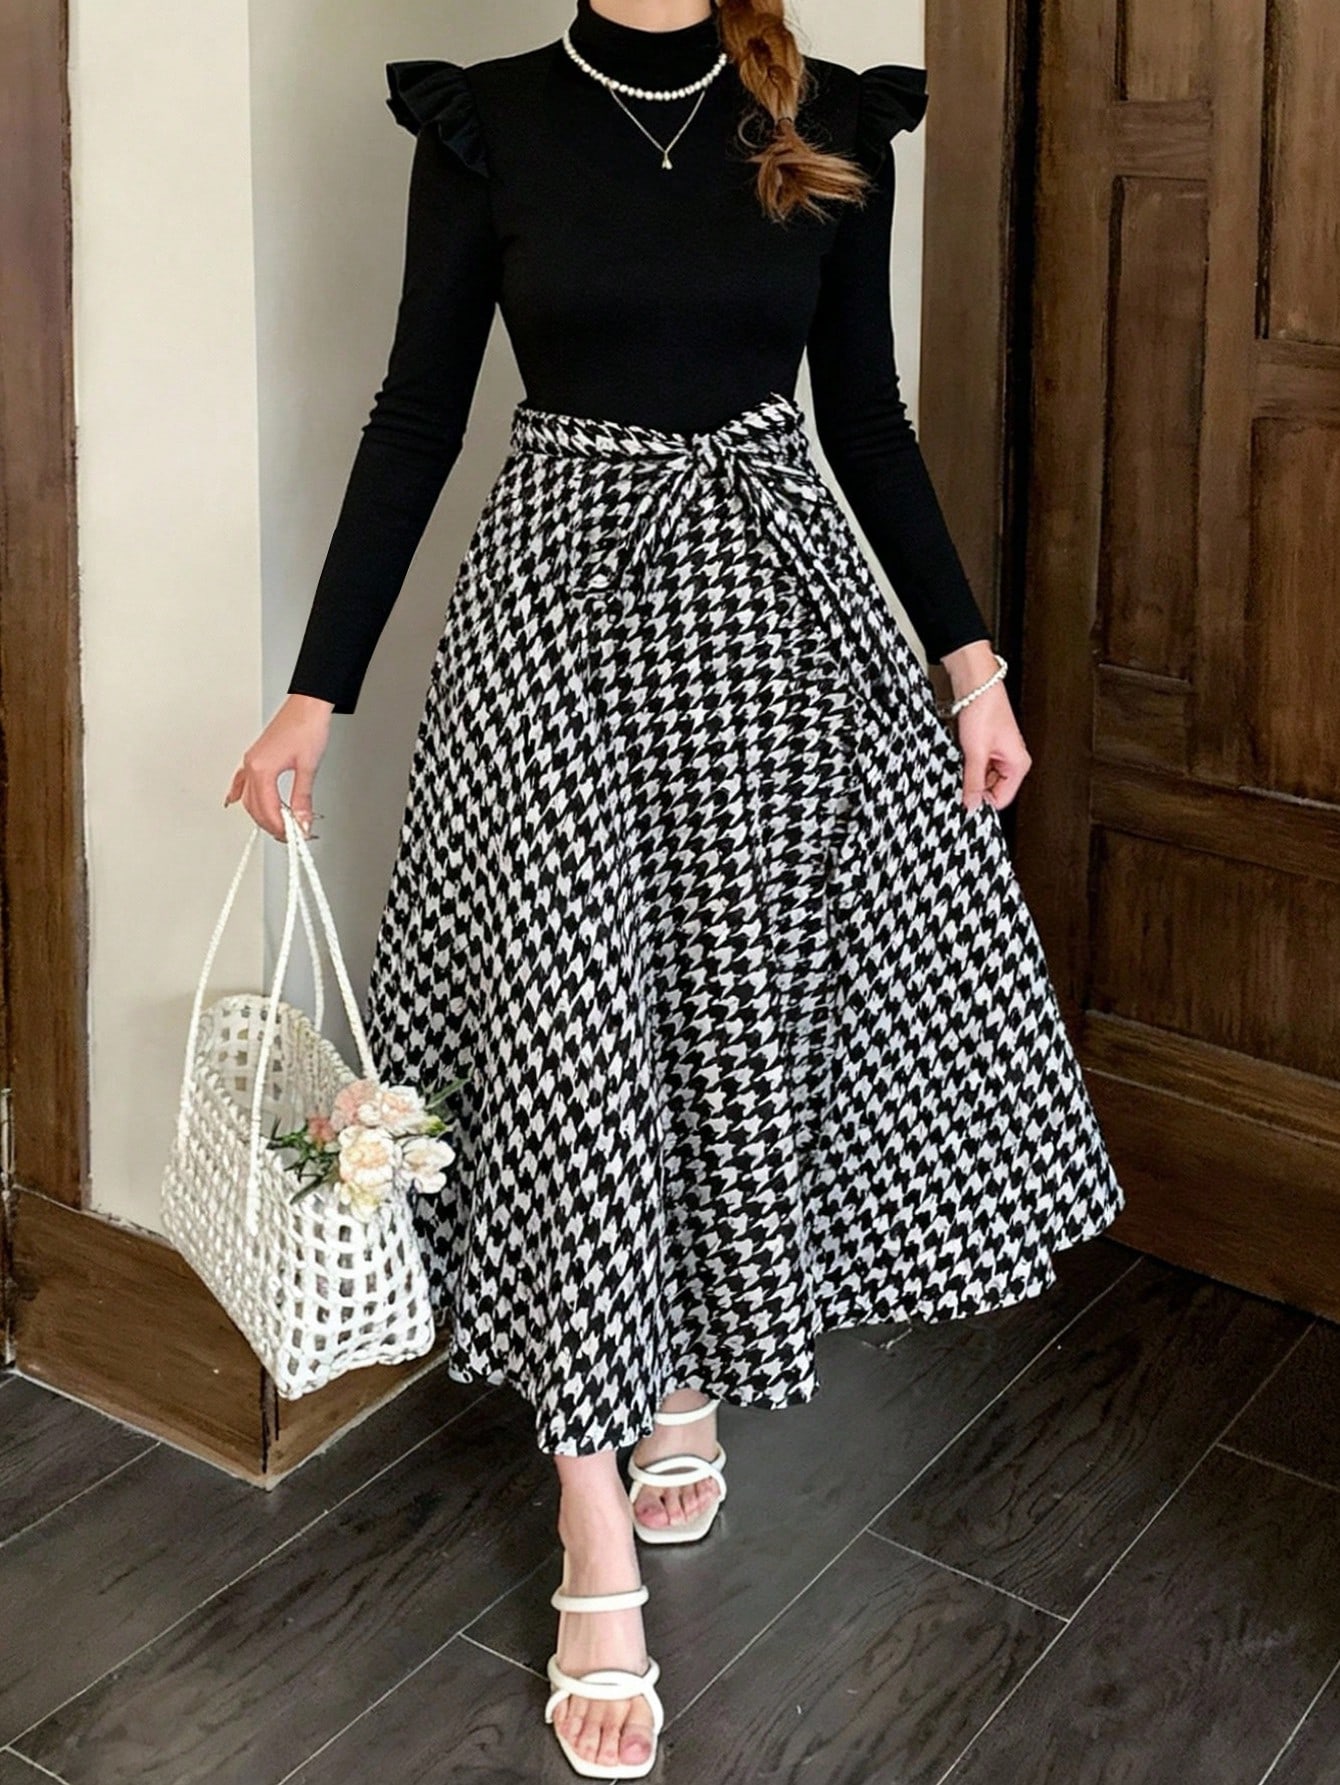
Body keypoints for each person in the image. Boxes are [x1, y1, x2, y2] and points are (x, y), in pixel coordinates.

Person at [224, 1, 1125, 1775]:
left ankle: (683, 1367)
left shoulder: (830, 113)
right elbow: (417, 414)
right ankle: (590, 1512)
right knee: (569, 1047)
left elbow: (865, 416)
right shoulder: (486, 123)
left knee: (719, 1025)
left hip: (775, 628)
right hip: (554, 628)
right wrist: (315, 691)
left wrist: (973, 666)